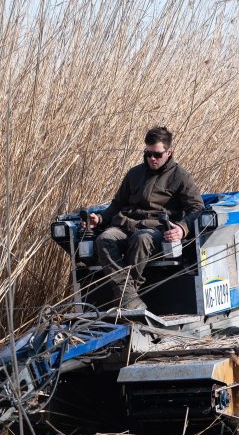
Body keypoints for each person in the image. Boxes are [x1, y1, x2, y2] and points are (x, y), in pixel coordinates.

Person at [85, 126, 204, 309]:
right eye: (148, 154)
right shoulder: (134, 173)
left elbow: (196, 208)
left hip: (155, 229)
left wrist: (181, 229)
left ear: (169, 151)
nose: (152, 159)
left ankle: (125, 297)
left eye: (157, 154)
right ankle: (128, 297)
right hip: (126, 225)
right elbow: (117, 204)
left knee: (141, 239)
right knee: (104, 239)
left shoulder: (181, 177)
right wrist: (100, 220)